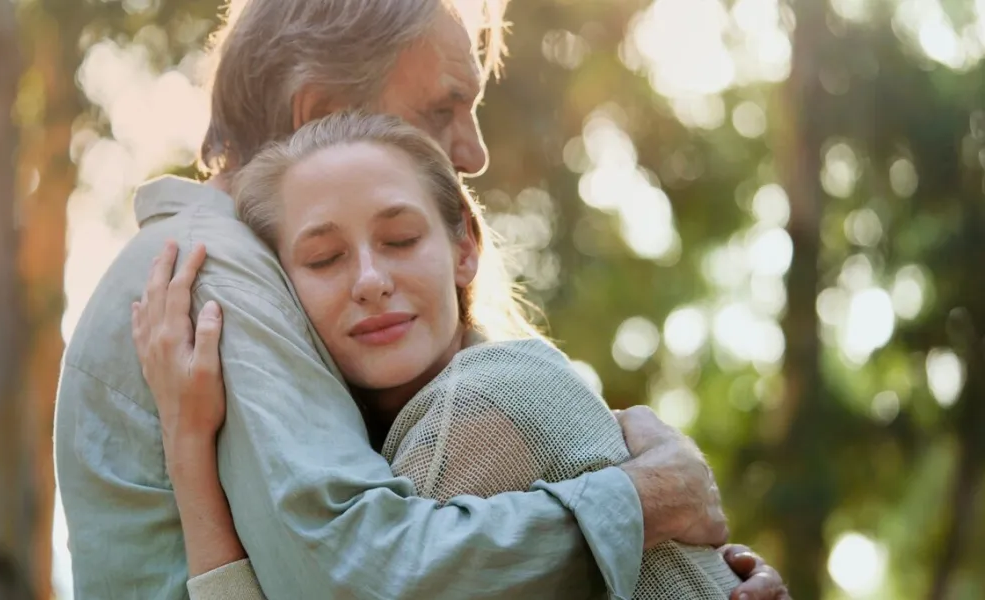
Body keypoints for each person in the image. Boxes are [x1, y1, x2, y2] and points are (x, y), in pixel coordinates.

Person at [54, 0, 789, 598]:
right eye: (443, 109)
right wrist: (644, 503)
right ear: (320, 117)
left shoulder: (280, 281)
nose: (472, 153)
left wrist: (682, 573)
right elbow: (352, 575)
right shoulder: (210, 277)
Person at [131, 112, 754, 600]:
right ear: (281, 295)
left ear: (464, 248)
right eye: (325, 258)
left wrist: (188, 446)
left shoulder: (479, 407)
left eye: (400, 240)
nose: (370, 279)